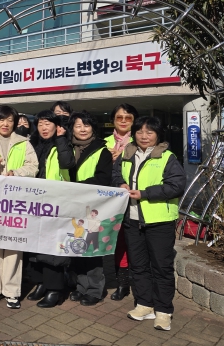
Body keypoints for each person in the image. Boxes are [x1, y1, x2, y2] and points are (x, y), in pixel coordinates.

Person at [112, 117, 186, 331]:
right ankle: (144, 304)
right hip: (132, 219)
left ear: (158, 135)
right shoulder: (126, 154)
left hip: (159, 221)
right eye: (140, 132)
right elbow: (115, 175)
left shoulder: (167, 157)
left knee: (161, 267)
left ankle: (163, 311)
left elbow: (176, 186)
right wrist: (120, 183)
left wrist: (145, 193)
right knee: (138, 265)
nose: (144, 136)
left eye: (149, 132)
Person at [0, 105, 38, 309]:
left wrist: (16, 172)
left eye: (9, 120)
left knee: (14, 246)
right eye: (1, 119)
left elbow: (33, 167)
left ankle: (12, 291)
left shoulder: (24, 143)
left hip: (16, 201)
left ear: (15, 123)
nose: (5, 124)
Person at [24, 110, 75, 308]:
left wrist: (61, 139)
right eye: (40, 124)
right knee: (35, 246)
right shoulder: (33, 144)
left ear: (57, 126)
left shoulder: (63, 144)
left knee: (53, 249)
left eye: (48, 124)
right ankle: (41, 283)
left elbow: (67, 163)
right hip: (34, 202)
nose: (44, 128)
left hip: (56, 203)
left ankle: (55, 289)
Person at [67, 111, 113, 307]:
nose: (82, 129)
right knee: (76, 247)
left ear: (93, 128)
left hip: (93, 207)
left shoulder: (102, 151)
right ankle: (81, 286)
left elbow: (103, 178)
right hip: (71, 206)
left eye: (86, 125)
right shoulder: (67, 149)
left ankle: (95, 289)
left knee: (92, 249)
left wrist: (78, 187)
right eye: (78, 126)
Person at [104, 103, 139, 301]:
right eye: (119, 117)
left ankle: (138, 281)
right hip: (112, 200)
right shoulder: (104, 142)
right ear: (113, 121)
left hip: (135, 200)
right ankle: (122, 283)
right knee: (119, 243)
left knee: (135, 243)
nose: (123, 121)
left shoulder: (141, 139)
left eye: (128, 118)